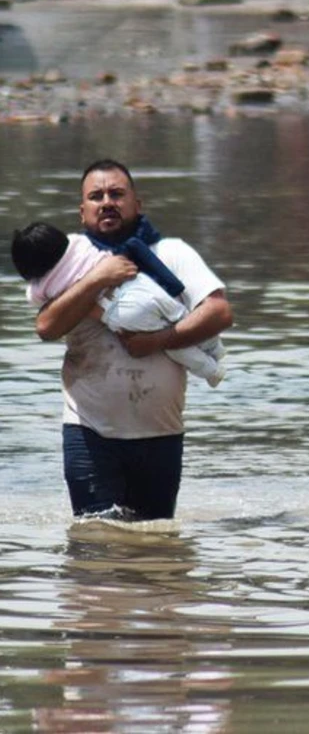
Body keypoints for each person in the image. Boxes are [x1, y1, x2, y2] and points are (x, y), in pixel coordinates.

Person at [32, 159, 234, 521]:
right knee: (95, 544)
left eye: (117, 194)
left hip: (161, 434)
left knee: (155, 549)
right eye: (96, 196)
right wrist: (97, 279)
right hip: (90, 431)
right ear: (82, 212)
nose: (107, 201)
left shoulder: (172, 253)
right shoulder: (65, 264)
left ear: (137, 205)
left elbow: (219, 313)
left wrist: (159, 339)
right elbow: (47, 326)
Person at [12, 222, 226, 388]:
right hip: (139, 285)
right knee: (181, 318)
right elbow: (46, 327)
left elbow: (38, 304)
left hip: (119, 310)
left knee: (172, 345)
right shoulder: (80, 244)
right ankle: (216, 348)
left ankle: (211, 372)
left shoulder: (45, 287)